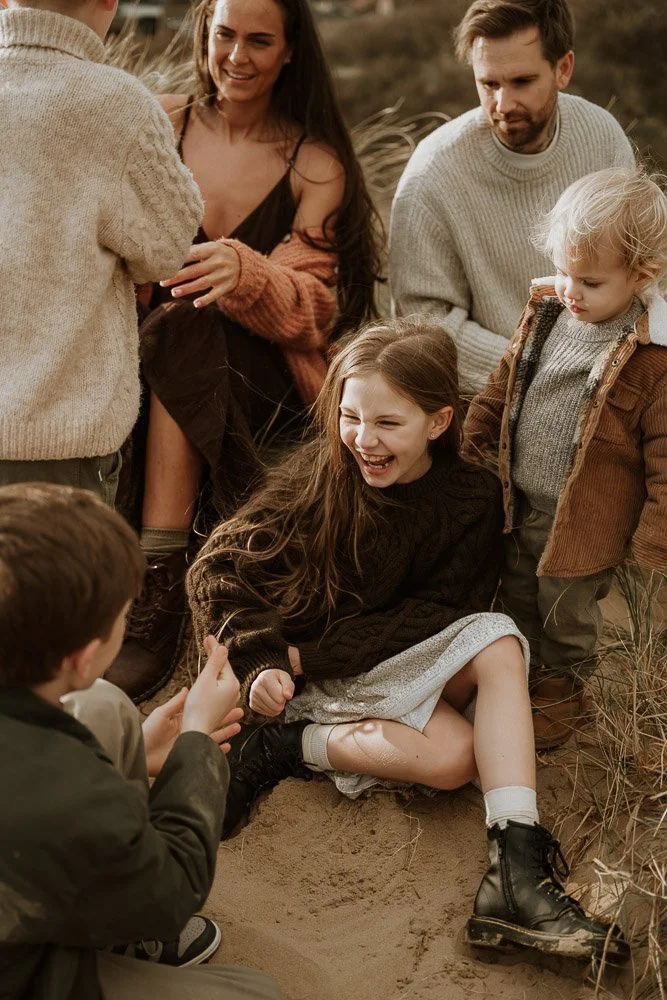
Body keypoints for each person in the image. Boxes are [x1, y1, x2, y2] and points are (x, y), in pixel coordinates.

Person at [186, 320, 629, 963]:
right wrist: (263, 661)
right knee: (452, 760)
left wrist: (315, 655)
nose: (364, 440)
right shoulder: (320, 479)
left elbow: (444, 613)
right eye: (350, 416)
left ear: (440, 421)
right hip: (313, 679)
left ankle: (517, 875)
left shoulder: (470, 500)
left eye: (388, 423)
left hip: (376, 658)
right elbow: (216, 569)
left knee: (497, 642)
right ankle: (287, 743)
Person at [107, 0, 381, 704]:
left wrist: (247, 273)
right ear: (203, 34)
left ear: (290, 52)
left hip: (264, 380)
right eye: (224, 34)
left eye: (259, 41)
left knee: (189, 325)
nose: (237, 56)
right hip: (140, 360)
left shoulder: (311, 161)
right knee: (176, 324)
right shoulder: (159, 123)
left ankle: (160, 573)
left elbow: (315, 314)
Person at [0, 482, 283, 1000]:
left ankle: (118, 933)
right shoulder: (63, 787)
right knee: (255, 992)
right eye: (121, 618)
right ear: (83, 656)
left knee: (104, 707)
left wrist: (129, 754)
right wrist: (195, 743)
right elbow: (173, 889)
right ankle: (109, 930)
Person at [462, 166, 667, 749]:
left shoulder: (652, 357)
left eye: (591, 282)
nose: (571, 290)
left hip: (587, 517)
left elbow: (665, 454)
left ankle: (564, 687)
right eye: (563, 271)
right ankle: (520, 673)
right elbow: (504, 387)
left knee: (566, 608)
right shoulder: (550, 312)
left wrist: (655, 533)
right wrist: (473, 442)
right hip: (522, 495)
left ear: (641, 276)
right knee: (518, 585)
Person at [0, 0, 203, 505]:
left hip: (56, 446)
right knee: (69, 587)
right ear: (109, 3)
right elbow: (170, 245)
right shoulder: (118, 106)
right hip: (59, 448)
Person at [389, 0, 636, 397]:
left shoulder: (602, 138)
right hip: (486, 397)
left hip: (607, 377)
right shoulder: (432, 173)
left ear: (563, 69)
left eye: (521, 82)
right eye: (489, 84)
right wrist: (535, 368)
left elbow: (636, 273)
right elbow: (423, 323)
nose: (502, 105)